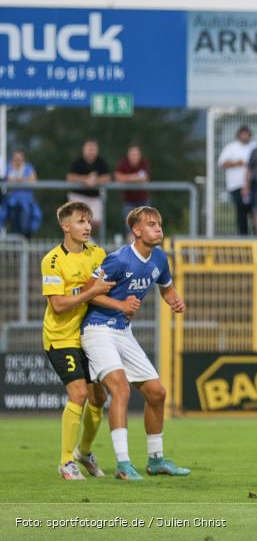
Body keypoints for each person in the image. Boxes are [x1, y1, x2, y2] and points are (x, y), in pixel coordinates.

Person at [81, 206, 190, 480]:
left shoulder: (160, 259)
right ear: (137, 231)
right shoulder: (118, 259)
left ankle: (156, 460)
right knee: (120, 390)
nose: (158, 229)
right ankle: (123, 464)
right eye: (151, 224)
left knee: (157, 393)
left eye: (159, 224)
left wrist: (173, 299)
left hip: (122, 331)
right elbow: (87, 293)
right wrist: (120, 303)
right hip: (97, 329)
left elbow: (166, 288)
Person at [40, 201, 115, 479]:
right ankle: (65, 462)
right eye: (81, 221)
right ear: (65, 226)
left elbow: (102, 290)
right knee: (79, 394)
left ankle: (84, 452)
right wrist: (91, 291)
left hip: (88, 335)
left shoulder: (97, 254)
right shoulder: (53, 260)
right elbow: (58, 305)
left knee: (98, 397)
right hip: (60, 337)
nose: (87, 226)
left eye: (89, 221)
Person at [217, 125, 256, 236]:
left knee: (255, 211)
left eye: (247, 133)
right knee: (241, 212)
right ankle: (243, 237)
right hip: (236, 186)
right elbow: (221, 163)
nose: (244, 136)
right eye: (242, 134)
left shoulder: (254, 146)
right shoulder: (231, 147)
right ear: (239, 135)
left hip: (252, 185)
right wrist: (238, 163)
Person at [66, 139, 111, 232]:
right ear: (84, 149)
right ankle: (84, 242)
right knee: (78, 221)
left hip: (94, 198)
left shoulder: (101, 162)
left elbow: (107, 177)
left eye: (93, 148)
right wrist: (85, 180)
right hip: (78, 196)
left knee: (96, 221)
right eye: (89, 148)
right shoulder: (78, 162)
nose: (91, 151)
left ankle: (84, 241)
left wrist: (95, 181)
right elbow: (70, 177)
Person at [4, 149, 42, 238]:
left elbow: (33, 180)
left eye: (19, 159)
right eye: (16, 159)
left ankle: (25, 241)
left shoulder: (28, 167)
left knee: (27, 223)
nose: (18, 161)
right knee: (15, 225)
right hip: (12, 203)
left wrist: (20, 180)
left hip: (27, 202)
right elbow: (6, 180)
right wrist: (22, 180)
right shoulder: (9, 167)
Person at [114, 144, 151, 235]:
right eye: (132, 154)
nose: (134, 157)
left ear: (140, 155)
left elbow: (145, 178)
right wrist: (136, 177)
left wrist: (126, 179)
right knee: (131, 229)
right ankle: (132, 249)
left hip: (143, 201)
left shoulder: (144, 162)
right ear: (128, 155)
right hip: (128, 202)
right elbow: (118, 177)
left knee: (145, 229)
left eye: (136, 154)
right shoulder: (123, 163)